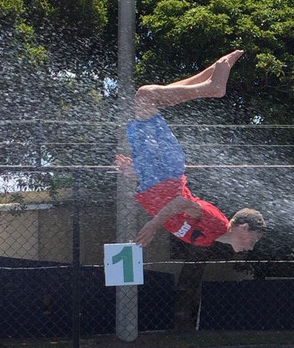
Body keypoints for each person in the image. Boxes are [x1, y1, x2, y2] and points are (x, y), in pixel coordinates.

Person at [114, 49, 266, 250]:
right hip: (166, 170)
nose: (251, 247)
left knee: (147, 99)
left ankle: (208, 77)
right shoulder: (219, 224)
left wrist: (139, 173)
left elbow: (173, 202)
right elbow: (180, 203)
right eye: (253, 240)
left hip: (155, 175)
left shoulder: (208, 239)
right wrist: (153, 225)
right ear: (243, 228)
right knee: (145, 97)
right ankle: (212, 87)